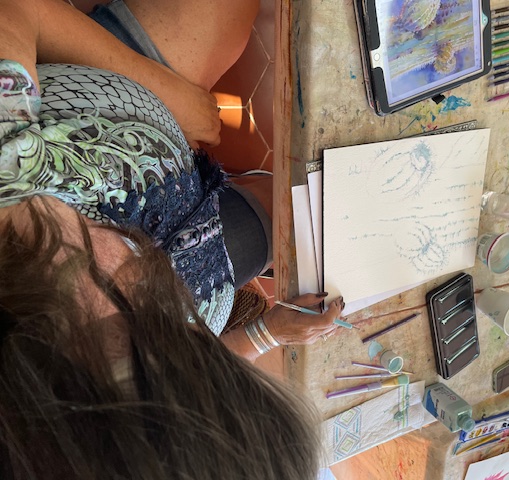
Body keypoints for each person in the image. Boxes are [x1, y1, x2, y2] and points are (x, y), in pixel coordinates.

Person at [0, 0, 338, 477]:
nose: (146, 265)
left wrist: (164, 90)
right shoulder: (125, 399)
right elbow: (181, 394)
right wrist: (267, 334)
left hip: (99, 107)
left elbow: (16, 11)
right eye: (185, 339)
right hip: (199, 254)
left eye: (129, 317)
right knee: (298, 216)